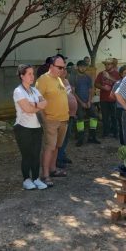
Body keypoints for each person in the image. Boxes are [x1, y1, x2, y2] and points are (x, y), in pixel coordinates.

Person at [35, 55, 69, 187]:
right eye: (59, 67)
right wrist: (45, 120)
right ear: (51, 66)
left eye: (63, 68)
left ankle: (53, 169)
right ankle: (45, 175)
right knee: (49, 147)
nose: (62, 70)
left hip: (63, 120)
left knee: (56, 147)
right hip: (51, 120)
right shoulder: (43, 80)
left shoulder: (59, 80)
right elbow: (37, 101)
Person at [13, 64, 48, 190]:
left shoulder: (34, 90)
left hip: (37, 127)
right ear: (22, 76)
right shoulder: (18, 91)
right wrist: (37, 105)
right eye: (29, 74)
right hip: (23, 128)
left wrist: (33, 104)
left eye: (33, 74)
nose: (32, 76)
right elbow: (27, 109)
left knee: (36, 154)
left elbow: (45, 103)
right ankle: (26, 179)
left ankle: (36, 178)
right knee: (27, 155)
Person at [71, 59, 100, 146]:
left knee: (94, 116)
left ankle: (92, 137)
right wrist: (81, 102)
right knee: (80, 119)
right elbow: (73, 92)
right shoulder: (73, 77)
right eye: (81, 66)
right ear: (77, 67)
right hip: (78, 102)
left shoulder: (88, 77)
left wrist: (89, 101)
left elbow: (90, 90)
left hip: (88, 101)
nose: (83, 68)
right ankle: (80, 139)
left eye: (84, 67)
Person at [57, 66, 78, 169]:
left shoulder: (66, 81)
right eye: (62, 69)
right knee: (61, 138)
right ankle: (58, 159)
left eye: (65, 69)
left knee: (67, 137)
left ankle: (62, 155)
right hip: (63, 115)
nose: (64, 71)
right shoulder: (56, 83)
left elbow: (70, 94)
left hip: (71, 114)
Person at [95, 59, 120, 138]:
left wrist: (109, 77)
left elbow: (120, 84)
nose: (107, 66)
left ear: (112, 65)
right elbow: (96, 84)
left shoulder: (117, 74)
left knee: (114, 117)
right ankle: (106, 132)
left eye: (108, 64)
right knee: (105, 117)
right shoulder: (101, 74)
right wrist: (103, 87)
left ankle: (115, 133)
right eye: (105, 64)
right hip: (104, 99)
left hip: (114, 99)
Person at [111, 65, 126, 145]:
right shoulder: (117, 84)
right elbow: (112, 96)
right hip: (121, 110)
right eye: (125, 73)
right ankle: (124, 146)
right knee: (123, 129)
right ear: (121, 74)